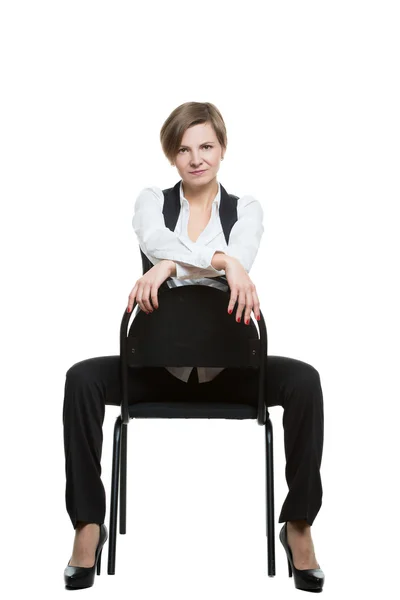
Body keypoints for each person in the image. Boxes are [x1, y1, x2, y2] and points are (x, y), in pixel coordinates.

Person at [63, 101, 325, 592]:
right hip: (157, 366)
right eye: (183, 149)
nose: (196, 158)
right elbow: (156, 239)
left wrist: (175, 266)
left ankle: (299, 525)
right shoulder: (150, 201)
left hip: (232, 371)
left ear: (222, 148)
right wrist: (218, 264)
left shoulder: (245, 208)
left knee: (305, 381)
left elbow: (238, 254)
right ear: (172, 156)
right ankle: (87, 524)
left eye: (206, 146)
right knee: (81, 378)